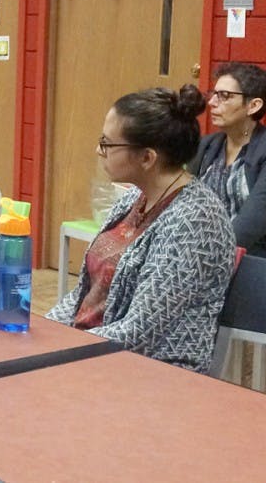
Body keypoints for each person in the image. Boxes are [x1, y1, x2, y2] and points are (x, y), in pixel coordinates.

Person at [47, 85, 235, 373]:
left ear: (147, 158)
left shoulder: (196, 220)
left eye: (107, 144)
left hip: (153, 372)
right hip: (95, 353)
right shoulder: (134, 199)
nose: (99, 150)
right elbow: (83, 296)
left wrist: (58, 354)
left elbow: (140, 332)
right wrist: (45, 332)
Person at [188, 62, 266, 260]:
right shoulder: (206, 146)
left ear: (253, 105)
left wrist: (206, 257)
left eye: (224, 96)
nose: (212, 103)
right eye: (213, 93)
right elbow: (184, 200)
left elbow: (257, 219)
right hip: (201, 256)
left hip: (256, 261)